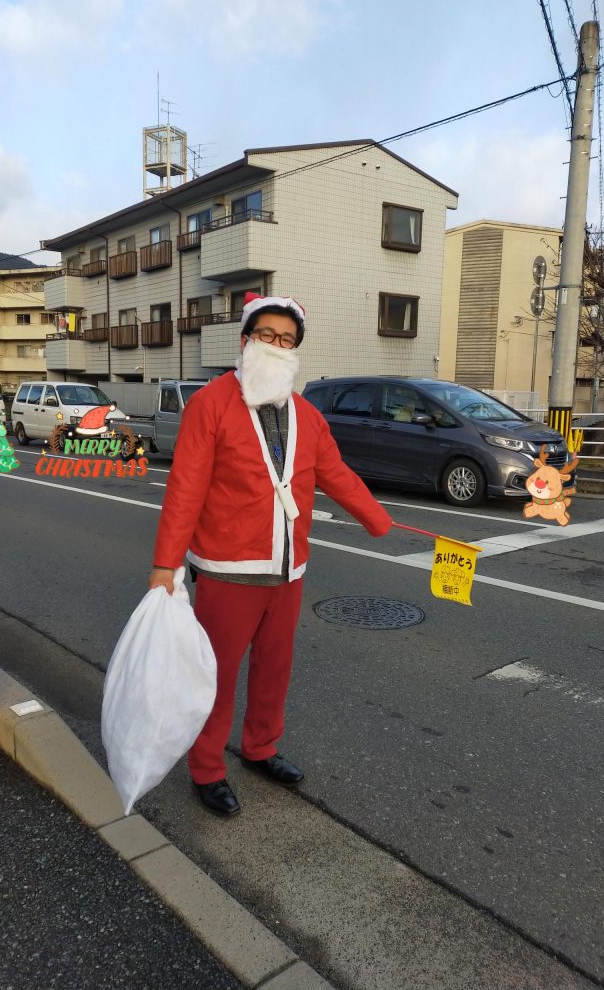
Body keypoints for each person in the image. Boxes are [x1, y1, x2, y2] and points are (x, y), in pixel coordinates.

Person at [148, 293, 393, 817]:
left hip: (287, 567)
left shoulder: (306, 414)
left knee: (274, 667)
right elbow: (185, 489)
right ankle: (207, 767)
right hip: (227, 568)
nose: (275, 346)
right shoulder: (210, 404)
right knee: (217, 673)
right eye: (266, 336)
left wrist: (377, 519)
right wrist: (165, 565)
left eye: (286, 340)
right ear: (245, 340)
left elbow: (336, 474)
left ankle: (260, 747)